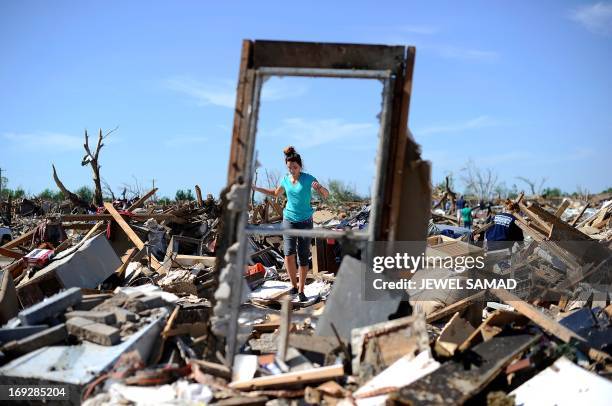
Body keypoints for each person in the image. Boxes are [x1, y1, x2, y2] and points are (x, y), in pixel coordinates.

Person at [252, 146, 329, 302]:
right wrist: (256, 188)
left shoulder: (308, 179)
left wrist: (319, 188)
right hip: (289, 220)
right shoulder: (286, 179)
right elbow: (275, 193)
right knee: (288, 255)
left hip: (305, 222)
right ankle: (294, 287)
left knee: (303, 256)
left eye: (295, 167)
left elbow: (326, 195)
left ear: (300, 166)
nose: (292, 170)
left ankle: (301, 290)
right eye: (289, 168)